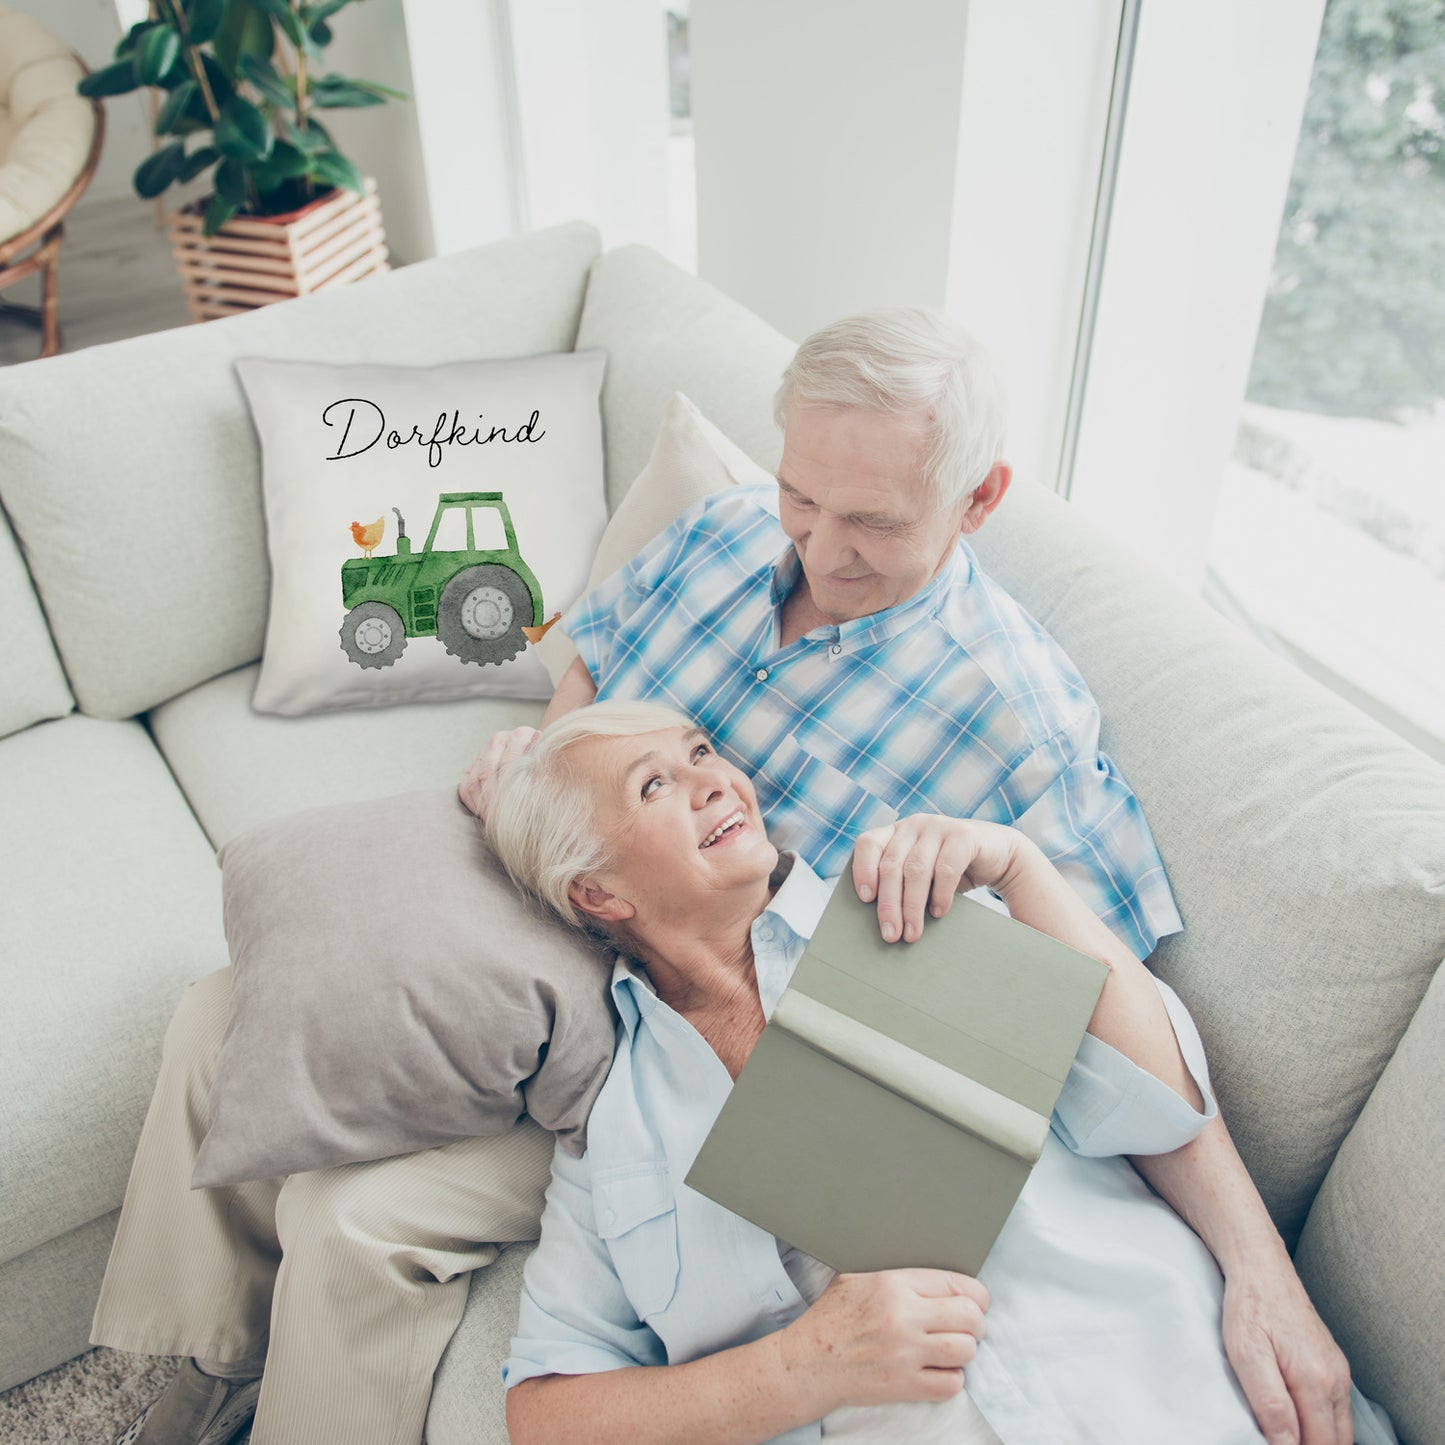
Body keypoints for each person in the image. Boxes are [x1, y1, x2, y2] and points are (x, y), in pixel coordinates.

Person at [94, 309, 1348, 1445]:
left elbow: (1103, 1021)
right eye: (804, 495)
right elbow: (592, 667)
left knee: (355, 1218)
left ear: (976, 501)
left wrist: (1260, 1266)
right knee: (229, 1007)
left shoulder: (1016, 724)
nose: (818, 545)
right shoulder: (726, 531)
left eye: (871, 520)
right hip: (580, 887)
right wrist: (545, 765)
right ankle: (192, 1364)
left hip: (691, 1014)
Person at [486, 701, 1385, 1445]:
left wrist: (1021, 869)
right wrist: (803, 1367)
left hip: (1172, 1393)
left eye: (700, 752)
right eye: (655, 784)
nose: (714, 779)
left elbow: (1158, 1106)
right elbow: (545, 1413)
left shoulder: (909, 907)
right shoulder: (615, 1132)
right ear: (597, 893)